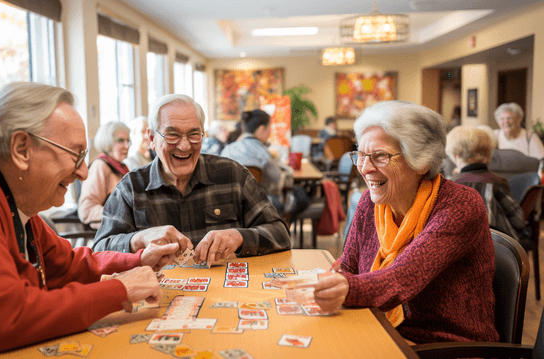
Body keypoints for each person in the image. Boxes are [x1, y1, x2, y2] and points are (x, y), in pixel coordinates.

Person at [0, 82, 179, 357]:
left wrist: (138, 260)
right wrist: (119, 289)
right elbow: (8, 321)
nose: (84, 172)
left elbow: (67, 266)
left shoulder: (10, 196)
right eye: (76, 154)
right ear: (22, 149)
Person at [310, 100, 499, 344]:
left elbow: (401, 279)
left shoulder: (459, 205)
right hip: (380, 328)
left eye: (379, 156)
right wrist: (334, 280)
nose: (365, 168)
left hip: (443, 346)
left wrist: (347, 288)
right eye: (361, 155)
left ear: (420, 160)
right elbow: (348, 265)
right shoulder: (370, 203)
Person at [92, 94, 290, 267]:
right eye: (172, 135)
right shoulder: (131, 188)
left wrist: (238, 237)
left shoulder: (233, 175)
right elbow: (99, 251)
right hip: (159, 299)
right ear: (152, 138)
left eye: (194, 134)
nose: (185, 146)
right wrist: (138, 239)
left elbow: (281, 234)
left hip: (228, 295)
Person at [447, 125, 524, 240]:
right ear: (488, 153)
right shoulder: (497, 181)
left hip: (460, 247)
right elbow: (518, 220)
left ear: (456, 156)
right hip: (498, 248)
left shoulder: (451, 184)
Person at [220, 109, 295, 213]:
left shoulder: (227, 149)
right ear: (261, 129)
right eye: (270, 128)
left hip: (230, 206)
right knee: (297, 195)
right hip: (260, 208)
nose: (270, 132)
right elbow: (278, 180)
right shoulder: (263, 153)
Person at [77, 121, 131, 229]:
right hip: (109, 236)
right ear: (108, 142)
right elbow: (86, 210)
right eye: (120, 140)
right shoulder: (100, 166)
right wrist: (122, 214)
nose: (126, 146)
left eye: (128, 141)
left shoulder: (122, 168)